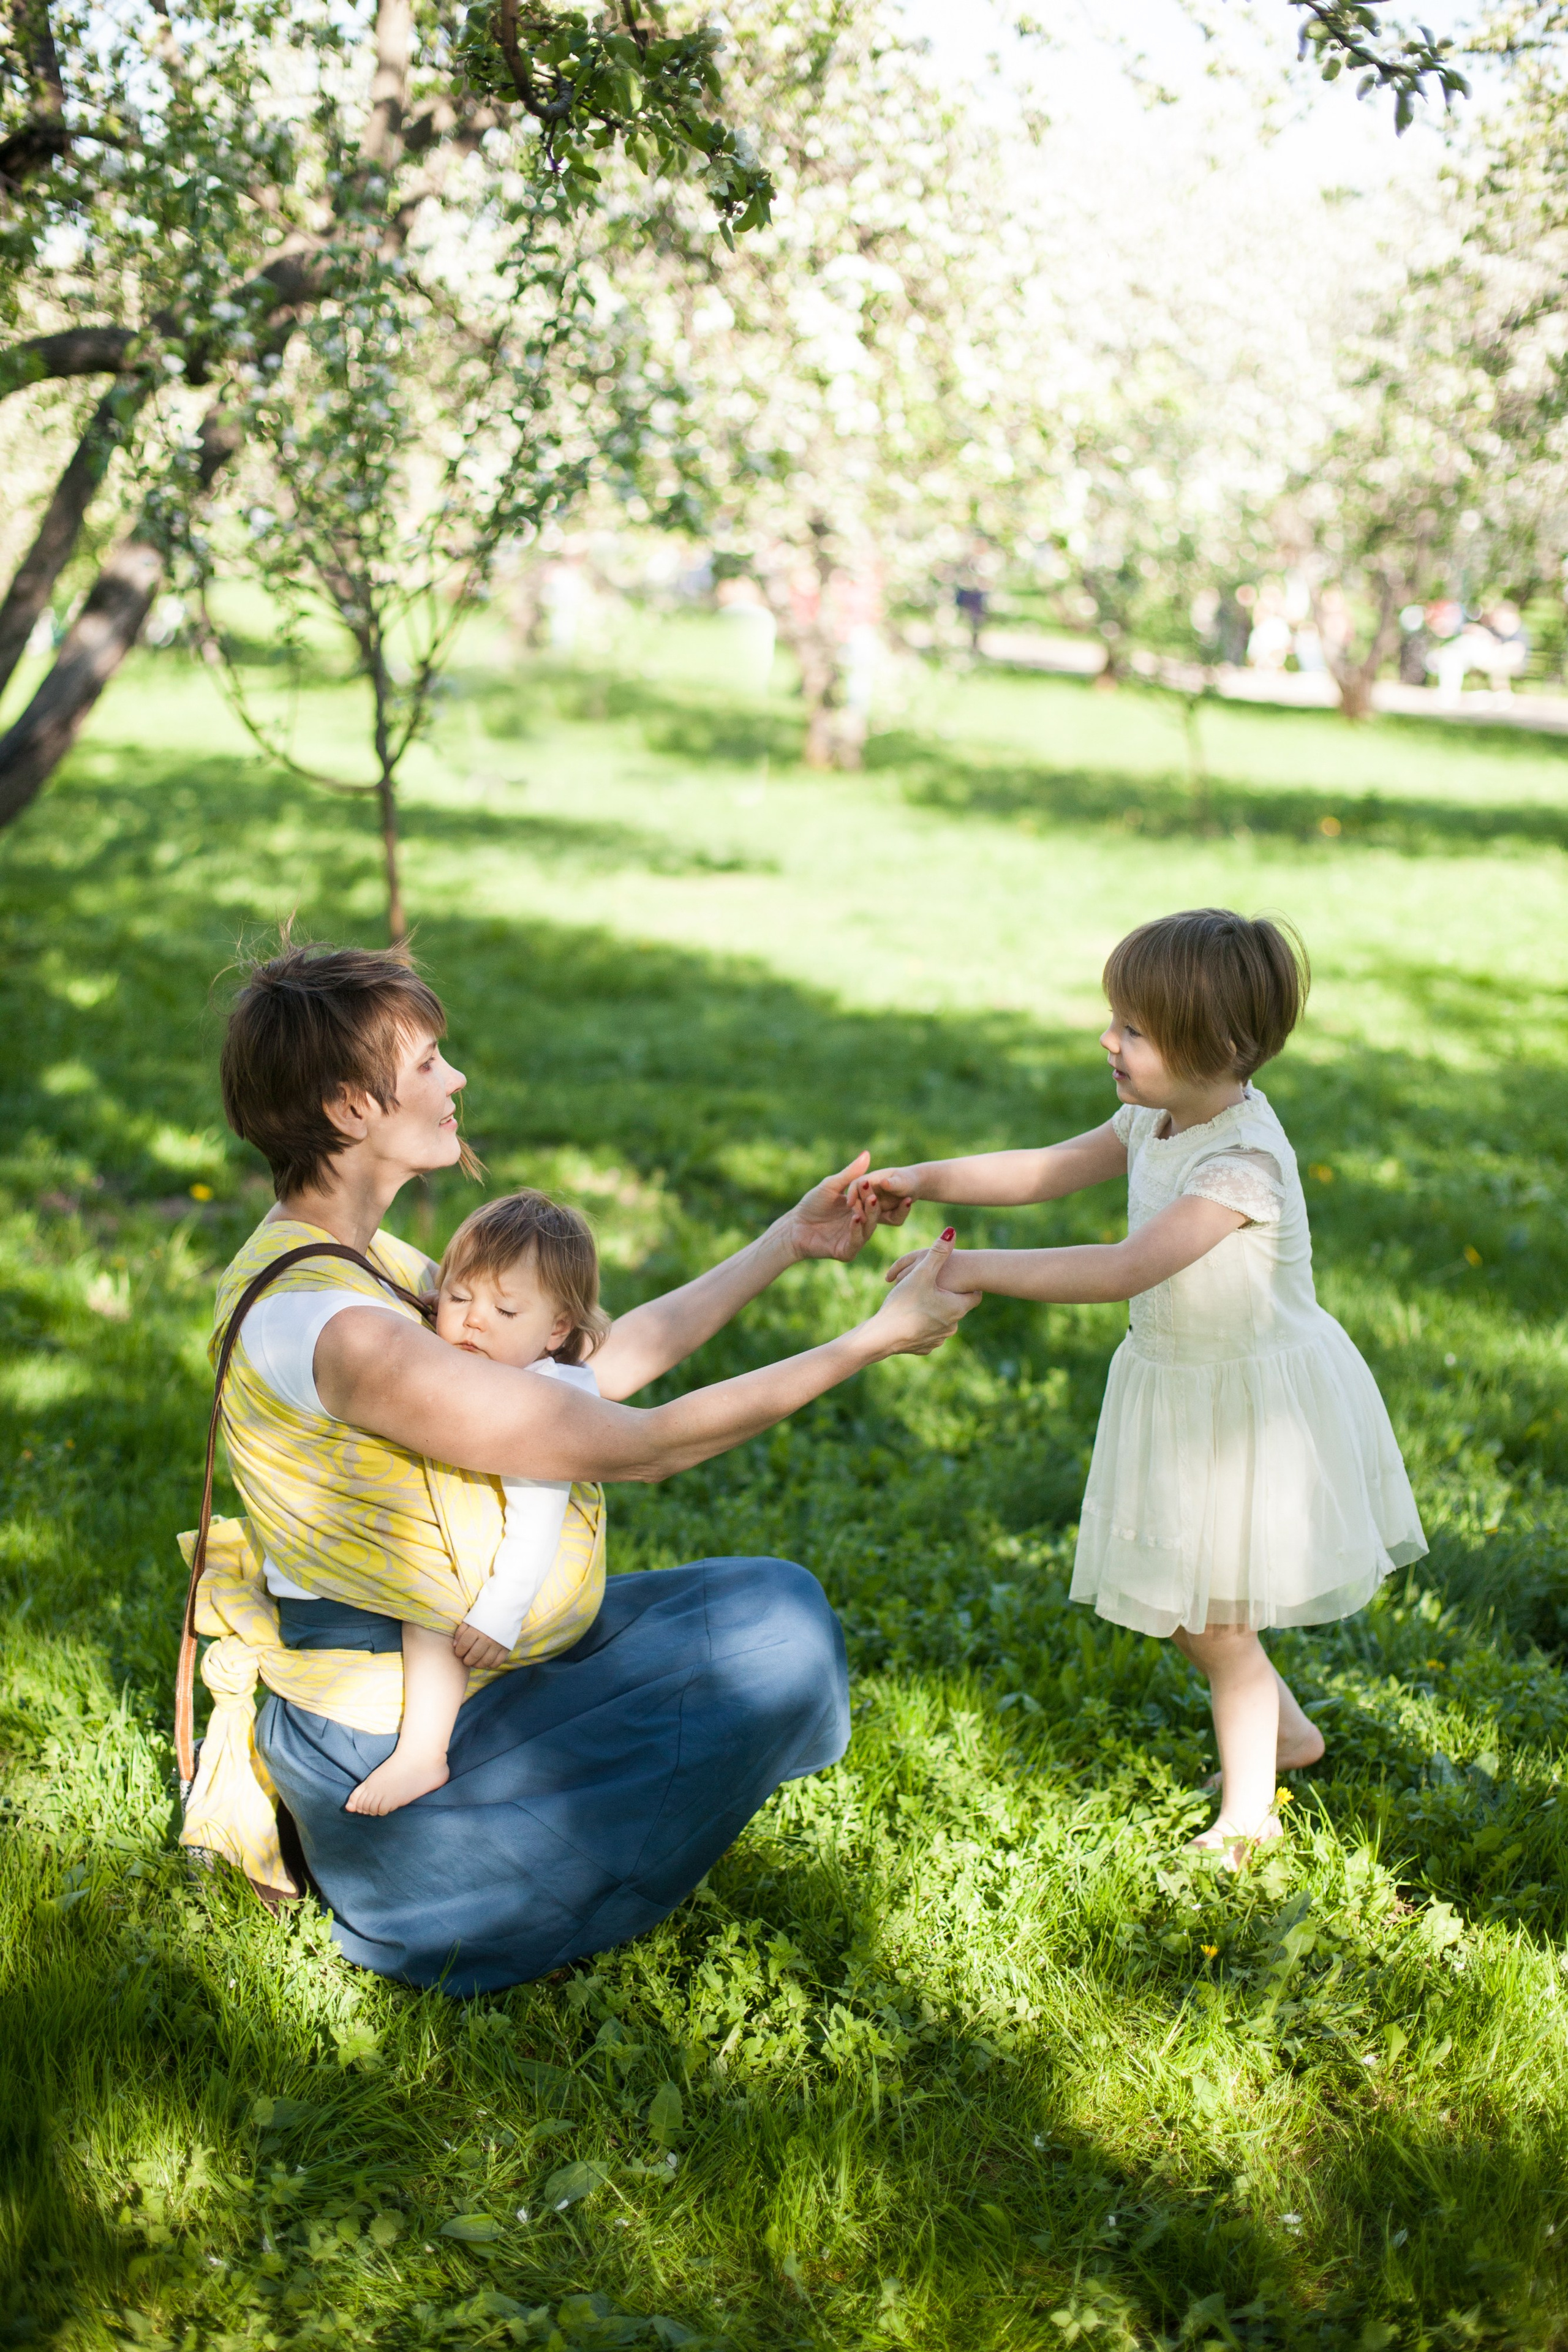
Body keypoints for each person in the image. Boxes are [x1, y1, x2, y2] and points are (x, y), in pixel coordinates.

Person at [180, 941, 973, 1990]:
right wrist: (870, 1340)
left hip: (459, 1672)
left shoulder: (359, 1264)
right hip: (392, 1752)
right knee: (772, 1641)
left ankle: (471, 1858)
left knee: (773, 1599)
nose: (456, 1080)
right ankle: (430, 1904)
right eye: (426, 1065)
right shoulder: (348, 1332)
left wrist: (787, 1241)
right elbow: (647, 1444)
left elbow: (595, 1367)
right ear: (349, 1108)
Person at [862, 909, 1425, 1867]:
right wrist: (926, 1177)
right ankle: (1287, 1736)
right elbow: (1045, 1170)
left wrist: (970, 1269)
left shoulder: (1241, 1166)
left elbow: (1128, 1268)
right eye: (1114, 1019)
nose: (1107, 1040)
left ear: (1221, 1047)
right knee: (1180, 1602)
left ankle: (1251, 1820)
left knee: (1213, 1620)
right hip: (1180, 1394)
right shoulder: (1155, 1117)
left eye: (1133, 1029)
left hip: (1247, 1413)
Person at [342, 1189, 611, 1819]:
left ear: (556, 1330)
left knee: (431, 1608)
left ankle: (422, 1753)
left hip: (509, 1582)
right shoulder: (480, 1363)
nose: (474, 1320)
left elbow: (537, 1521)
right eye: (457, 1298)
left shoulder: (540, 1402)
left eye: (504, 1308)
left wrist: (499, 1613)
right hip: (479, 1546)